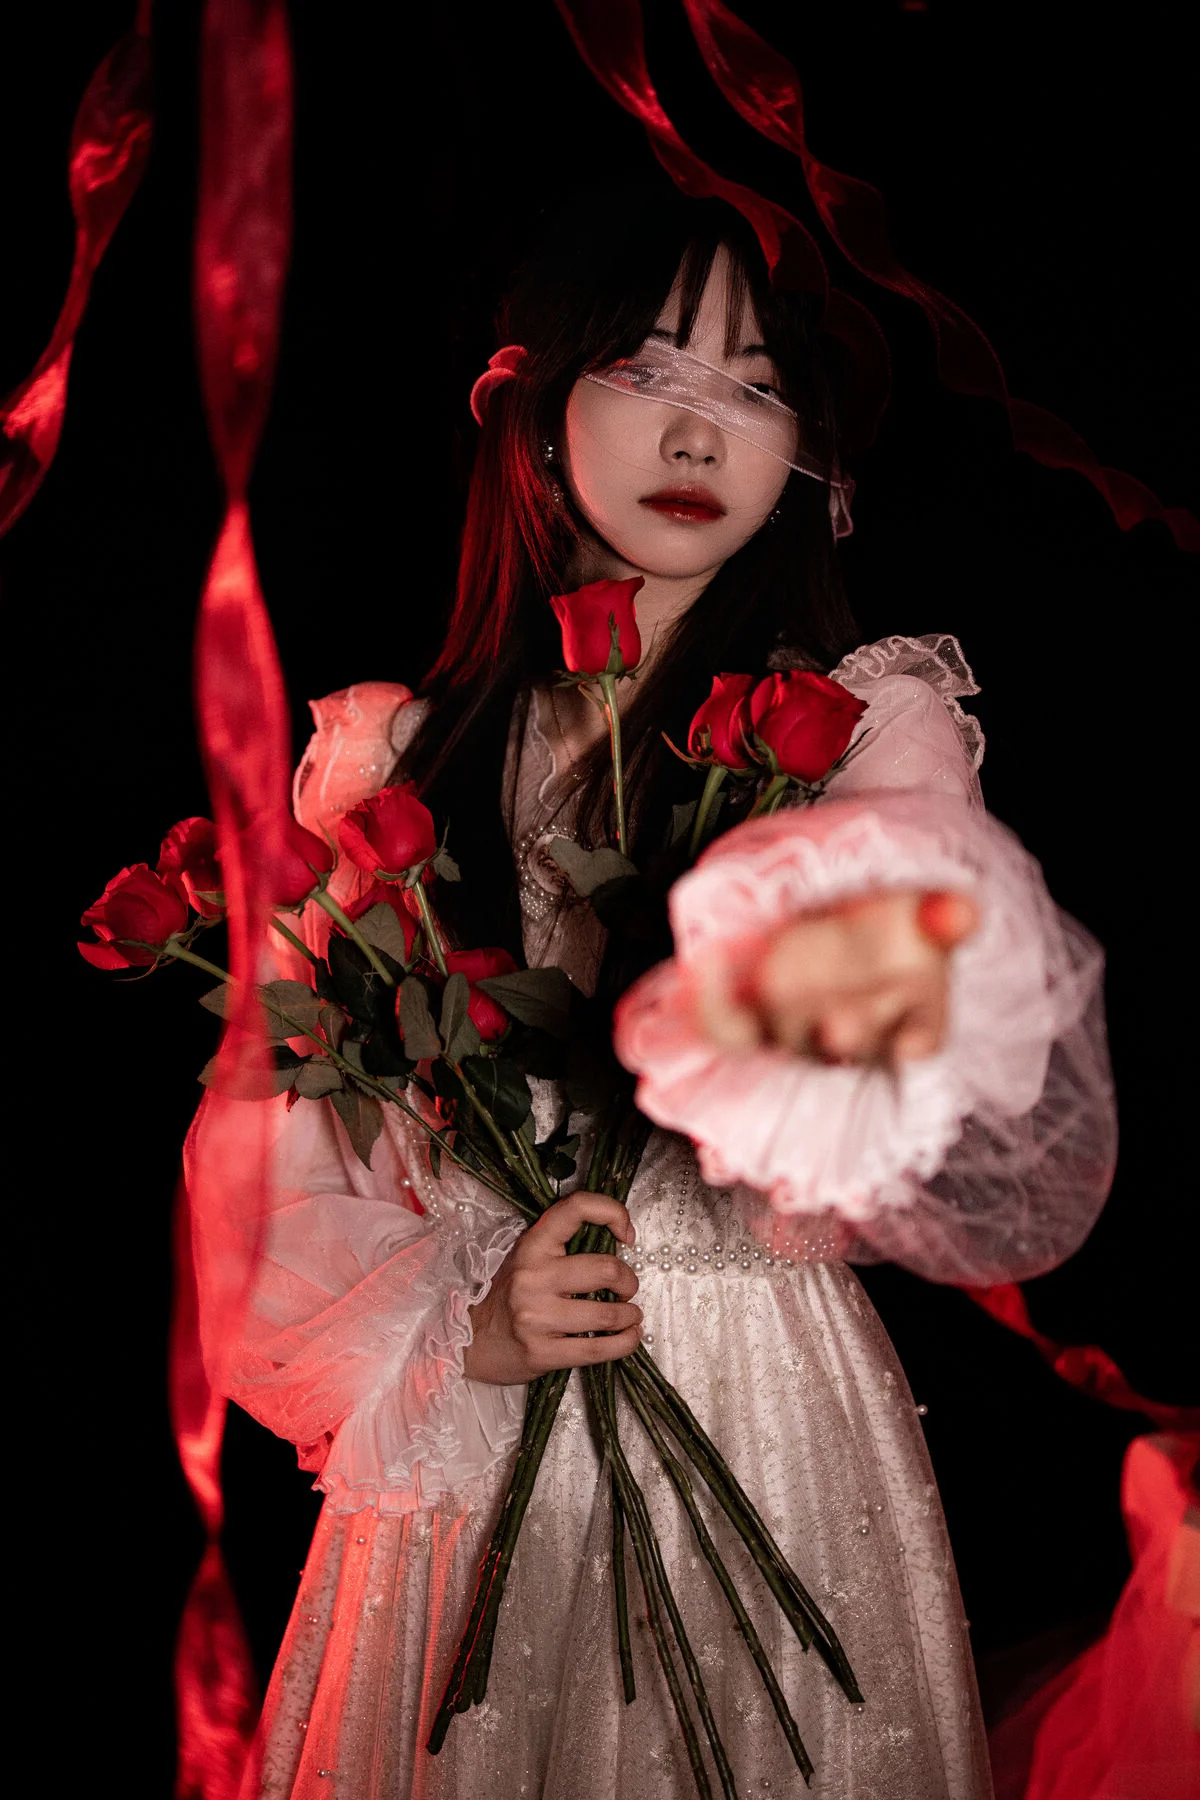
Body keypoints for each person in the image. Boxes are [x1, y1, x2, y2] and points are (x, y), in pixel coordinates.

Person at [195, 190, 1115, 1798]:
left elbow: (928, 1024)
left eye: (756, 387)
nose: (701, 431)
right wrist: (467, 1331)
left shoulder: (861, 735)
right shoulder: (398, 763)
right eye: (648, 366)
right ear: (535, 405)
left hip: (759, 1397)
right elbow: (282, 1144)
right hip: (491, 1410)